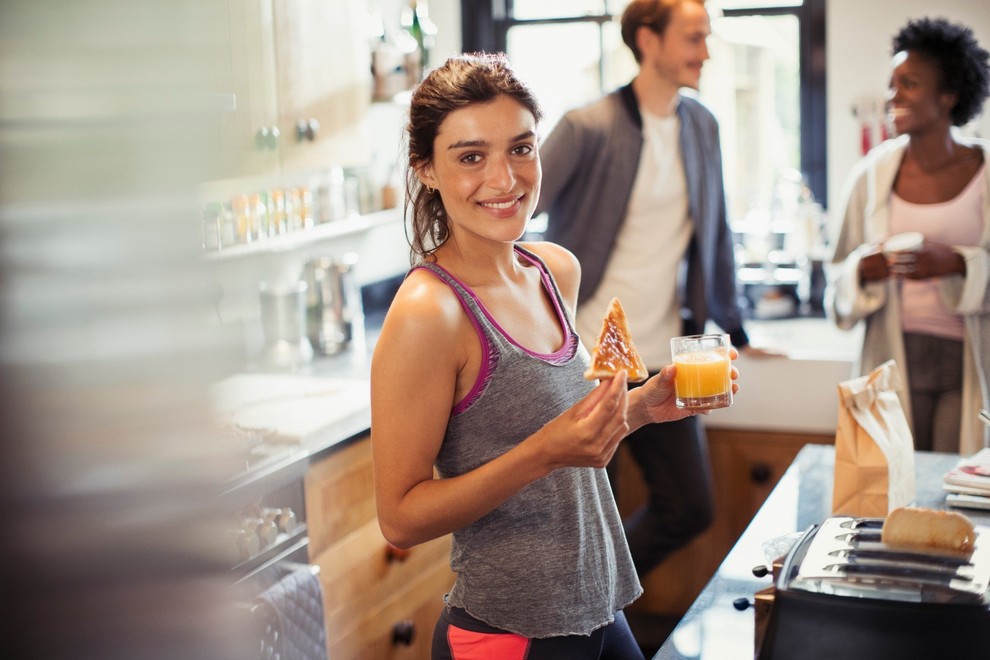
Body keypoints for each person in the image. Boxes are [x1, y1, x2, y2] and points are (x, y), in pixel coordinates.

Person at [370, 53, 738, 660]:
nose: (505, 178)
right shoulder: (428, 313)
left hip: (599, 607)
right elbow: (401, 518)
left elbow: (569, 440)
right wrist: (542, 454)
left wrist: (644, 407)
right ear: (426, 169)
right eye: (470, 157)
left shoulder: (554, 270)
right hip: (510, 631)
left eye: (521, 148)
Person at [534, 0, 771, 580]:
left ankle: (605, 592)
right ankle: (592, 624)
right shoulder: (587, 127)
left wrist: (735, 326)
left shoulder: (702, 126)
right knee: (589, 521)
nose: (706, 52)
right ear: (648, 39)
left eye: (707, 37)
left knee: (690, 508)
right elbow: (517, 210)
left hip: (666, 356)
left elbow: (715, 236)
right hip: (588, 362)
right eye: (693, 37)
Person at [826, 16, 990, 456]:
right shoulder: (869, 176)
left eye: (910, 83)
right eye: (892, 82)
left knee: (958, 493)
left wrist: (958, 263)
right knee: (897, 488)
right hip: (893, 361)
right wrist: (863, 269)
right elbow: (835, 275)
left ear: (949, 95)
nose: (892, 95)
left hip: (971, 361)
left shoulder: (986, 172)